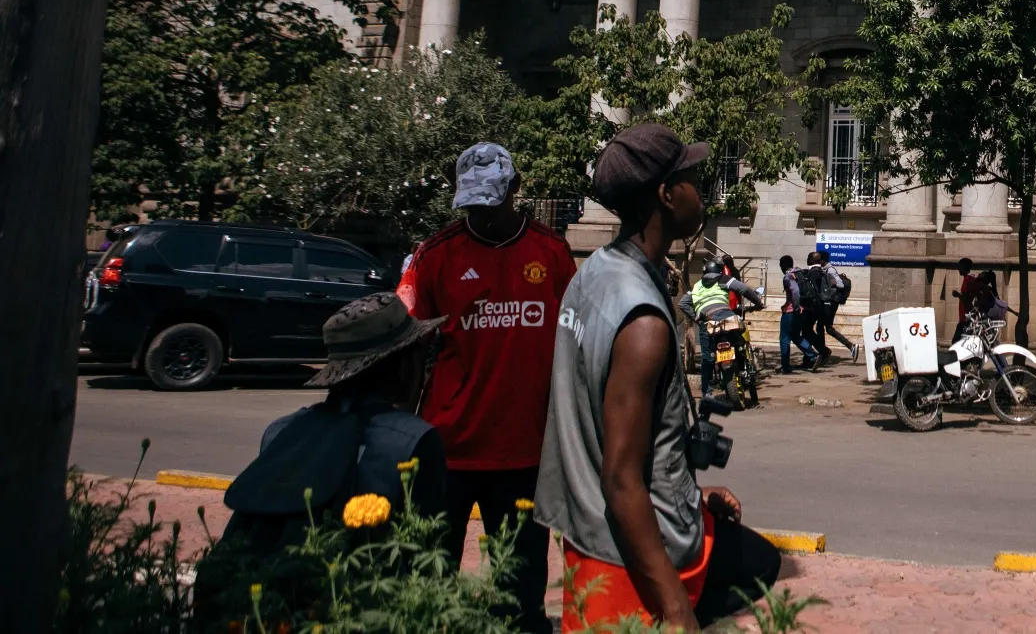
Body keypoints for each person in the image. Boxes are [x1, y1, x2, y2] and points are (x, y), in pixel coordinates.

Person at [535, 122, 781, 632]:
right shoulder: (642, 319)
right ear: (667, 196)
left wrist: (689, 491)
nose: (702, 188)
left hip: (586, 529)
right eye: (691, 177)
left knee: (756, 558)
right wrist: (675, 608)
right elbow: (622, 477)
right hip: (634, 550)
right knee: (758, 566)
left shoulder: (594, 273)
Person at [402, 142, 574, 633]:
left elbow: (570, 350)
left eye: (492, 200)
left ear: (515, 190)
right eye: (473, 202)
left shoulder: (552, 254)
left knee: (517, 598)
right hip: (444, 454)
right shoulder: (435, 257)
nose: (483, 212)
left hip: (523, 459)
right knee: (428, 591)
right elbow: (410, 352)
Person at [196, 294, 447, 624]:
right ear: (402, 363)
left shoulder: (281, 431)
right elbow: (427, 560)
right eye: (421, 352)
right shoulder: (414, 441)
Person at [685, 258, 764, 395]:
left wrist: (697, 318)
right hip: (725, 315)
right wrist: (758, 303)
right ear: (719, 270)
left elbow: (682, 303)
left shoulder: (697, 285)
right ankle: (744, 367)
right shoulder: (723, 279)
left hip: (706, 321)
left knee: (707, 357)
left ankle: (707, 393)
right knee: (739, 341)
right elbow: (744, 289)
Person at [812, 248, 861, 361]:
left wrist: (831, 285)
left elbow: (840, 284)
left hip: (831, 303)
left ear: (823, 261)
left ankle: (850, 346)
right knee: (822, 327)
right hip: (828, 302)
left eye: (819, 260)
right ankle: (824, 351)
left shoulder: (830, 270)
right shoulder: (825, 270)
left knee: (826, 327)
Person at [776, 254, 818, 374]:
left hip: (790, 312)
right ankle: (813, 355)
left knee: (784, 338)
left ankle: (785, 366)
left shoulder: (788, 277)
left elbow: (795, 291)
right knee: (795, 336)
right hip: (802, 310)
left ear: (782, 266)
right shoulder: (799, 273)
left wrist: (795, 307)